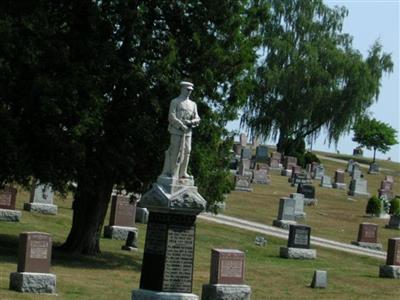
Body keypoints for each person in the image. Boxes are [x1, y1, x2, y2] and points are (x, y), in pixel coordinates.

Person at [161, 81, 200, 179]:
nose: (189, 92)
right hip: (176, 131)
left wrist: (191, 122)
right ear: (182, 89)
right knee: (175, 151)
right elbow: (171, 116)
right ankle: (173, 172)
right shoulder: (175, 101)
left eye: (190, 90)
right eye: (187, 90)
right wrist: (181, 125)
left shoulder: (193, 104)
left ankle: (183, 172)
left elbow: (197, 118)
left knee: (187, 151)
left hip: (188, 132)